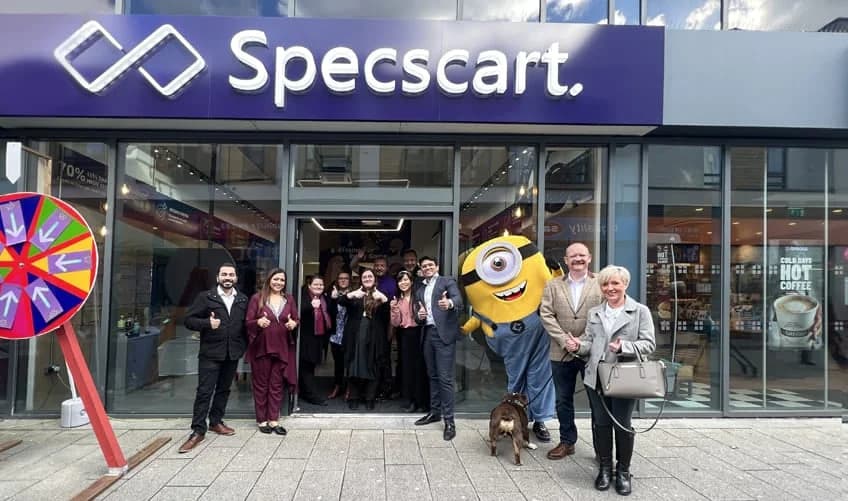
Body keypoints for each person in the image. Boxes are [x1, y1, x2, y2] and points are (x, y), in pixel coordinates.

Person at [564, 265, 656, 496]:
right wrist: (577, 345)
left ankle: (623, 472)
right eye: (605, 284)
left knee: (623, 425)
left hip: (624, 377)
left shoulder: (639, 311)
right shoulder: (595, 312)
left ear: (625, 284)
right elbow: (589, 344)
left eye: (615, 283)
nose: (610, 288)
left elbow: (649, 344)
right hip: (596, 377)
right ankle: (605, 469)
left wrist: (624, 346)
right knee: (602, 425)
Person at [540, 242, 603, 459]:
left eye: (582, 255)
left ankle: (600, 447)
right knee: (562, 400)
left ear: (589, 258)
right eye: (573, 256)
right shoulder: (552, 285)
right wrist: (564, 340)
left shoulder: (601, 284)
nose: (578, 259)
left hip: (592, 352)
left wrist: (582, 342)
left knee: (597, 402)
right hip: (561, 351)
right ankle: (567, 442)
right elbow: (546, 314)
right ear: (566, 260)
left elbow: (606, 315)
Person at [179, 263, 248, 453]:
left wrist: (243, 347)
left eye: (231, 275)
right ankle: (198, 430)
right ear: (218, 277)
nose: (228, 277)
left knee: (224, 390)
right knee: (204, 392)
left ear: (236, 278)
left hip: (232, 353)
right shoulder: (206, 297)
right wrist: (207, 323)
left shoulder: (242, 299)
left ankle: (216, 422)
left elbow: (245, 326)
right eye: (224, 274)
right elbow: (188, 321)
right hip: (210, 353)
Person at [414, 256, 463, 441]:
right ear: (421, 268)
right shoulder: (420, 289)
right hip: (428, 334)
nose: (427, 268)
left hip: (444, 336)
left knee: (445, 379)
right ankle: (435, 413)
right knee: (432, 376)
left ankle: (449, 421)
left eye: (430, 265)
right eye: (424, 265)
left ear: (436, 266)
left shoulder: (446, 281)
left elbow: (459, 300)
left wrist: (449, 303)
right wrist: (419, 315)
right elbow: (417, 315)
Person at [245, 268, 299, 435]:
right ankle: (262, 420)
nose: (279, 283)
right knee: (261, 385)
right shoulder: (257, 298)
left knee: (276, 385)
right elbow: (248, 322)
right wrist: (258, 322)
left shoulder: (288, 299)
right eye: (276, 279)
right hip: (261, 348)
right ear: (269, 280)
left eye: (282, 280)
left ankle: (273, 420)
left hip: (281, 348)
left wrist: (293, 324)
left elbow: (296, 319)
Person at [338, 269, 389, 410]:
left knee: (372, 365)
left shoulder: (380, 294)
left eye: (370, 276)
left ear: (374, 279)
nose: (367, 278)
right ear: (361, 279)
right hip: (355, 336)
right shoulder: (355, 294)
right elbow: (340, 301)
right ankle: (354, 397)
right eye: (364, 276)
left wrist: (384, 300)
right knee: (354, 366)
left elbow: (387, 316)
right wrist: (351, 295)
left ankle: (369, 398)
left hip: (374, 337)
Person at [390, 270, 429, 413]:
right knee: (407, 369)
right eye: (400, 281)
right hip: (405, 335)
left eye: (406, 280)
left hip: (419, 333)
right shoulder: (397, 300)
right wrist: (393, 309)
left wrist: (422, 314)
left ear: (412, 282)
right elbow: (395, 323)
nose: (403, 283)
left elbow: (426, 315)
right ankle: (411, 401)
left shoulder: (419, 297)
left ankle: (422, 401)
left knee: (420, 368)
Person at [298, 275, 337, 406]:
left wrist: (334, 298)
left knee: (311, 366)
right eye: (316, 284)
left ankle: (304, 392)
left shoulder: (324, 298)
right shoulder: (303, 296)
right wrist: (311, 306)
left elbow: (331, 312)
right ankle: (311, 395)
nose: (319, 287)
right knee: (306, 367)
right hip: (305, 338)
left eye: (321, 284)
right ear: (309, 285)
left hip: (319, 337)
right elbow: (297, 312)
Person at [328, 269, 353, 400]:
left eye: (346, 278)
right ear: (337, 281)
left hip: (349, 335)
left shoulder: (354, 294)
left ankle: (349, 387)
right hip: (335, 335)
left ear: (350, 281)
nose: (343, 280)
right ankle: (337, 386)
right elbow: (328, 313)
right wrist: (333, 299)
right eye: (340, 278)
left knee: (349, 363)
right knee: (338, 363)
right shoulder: (332, 294)